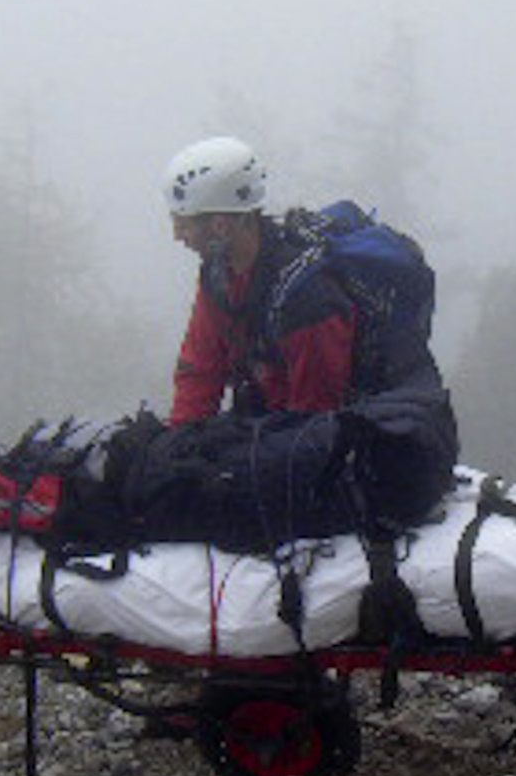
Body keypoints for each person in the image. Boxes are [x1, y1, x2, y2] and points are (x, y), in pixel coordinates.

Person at [159, 134, 458, 536]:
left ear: (220, 224)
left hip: (350, 437)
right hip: (277, 423)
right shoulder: (219, 276)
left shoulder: (306, 296)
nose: (178, 235)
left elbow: (314, 418)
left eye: (184, 222)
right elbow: (201, 369)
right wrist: (177, 452)